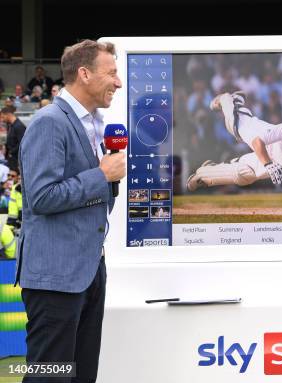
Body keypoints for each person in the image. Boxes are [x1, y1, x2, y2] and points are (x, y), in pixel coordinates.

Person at [16, 39, 124, 383]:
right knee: (49, 376)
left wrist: (108, 179)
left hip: (87, 271)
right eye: (112, 73)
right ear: (84, 74)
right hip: (55, 277)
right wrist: (101, 175)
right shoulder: (50, 122)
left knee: (81, 375)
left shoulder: (93, 123)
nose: (118, 82)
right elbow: (42, 197)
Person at [0, 106, 27, 171]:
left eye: (3, 117)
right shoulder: (11, 125)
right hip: (12, 158)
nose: (2, 120)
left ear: (8, 114)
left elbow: (23, 143)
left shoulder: (19, 126)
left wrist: (11, 152)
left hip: (16, 159)